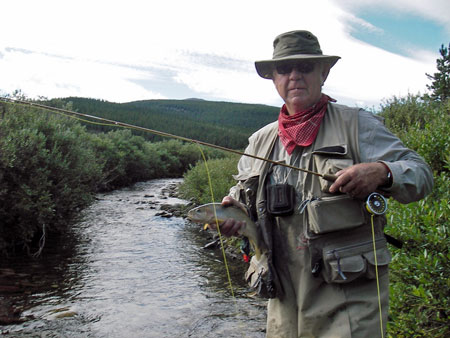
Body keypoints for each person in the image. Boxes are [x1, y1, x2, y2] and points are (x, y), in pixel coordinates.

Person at [218, 30, 434, 338]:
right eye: (284, 69)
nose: (294, 76)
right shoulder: (260, 140)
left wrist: (382, 171)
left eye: (305, 67)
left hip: (347, 300)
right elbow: (242, 197)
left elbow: (422, 174)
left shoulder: (357, 124)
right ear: (273, 78)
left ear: (324, 72)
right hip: (283, 300)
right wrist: (233, 211)